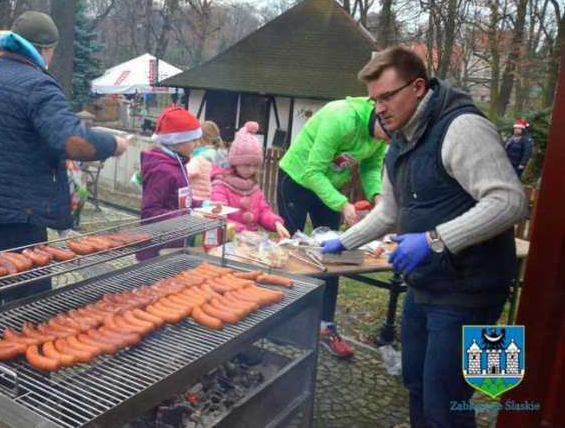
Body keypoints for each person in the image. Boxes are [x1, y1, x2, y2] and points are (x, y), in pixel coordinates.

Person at [321, 47, 526, 428]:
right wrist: (344, 241)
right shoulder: (399, 139)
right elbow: (388, 212)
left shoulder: (462, 127)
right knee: (415, 384)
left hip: (470, 290)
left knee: (446, 406)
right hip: (424, 286)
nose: (379, 109)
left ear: (418, 87)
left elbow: (509, 202)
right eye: (374, 100)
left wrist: (433, 240)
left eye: (387, 97)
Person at [0, 10, 127, 314]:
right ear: (46, 49)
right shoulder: (37, 85)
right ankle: (22, 361)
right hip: (16, 216)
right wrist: (115, 144)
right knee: (30, 303)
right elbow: (73, 141)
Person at [277, 96, 389, 358]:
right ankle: (286, 322)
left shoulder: (383, 129)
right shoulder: (340, 117)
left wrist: (377, 196)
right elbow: (312, 171)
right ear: (378, 114)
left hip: (328, 186)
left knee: (334, 255)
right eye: (387, 135)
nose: (386, 142)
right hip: (297, 178)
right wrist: (343, 205)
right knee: (296, 251)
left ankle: (325, 326)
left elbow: (372, 165)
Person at [139, 105, 205, 261]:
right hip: (157, 250)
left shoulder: (178, 164)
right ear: (175, 142)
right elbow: (150, 213)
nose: (196, 145)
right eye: (193, 140)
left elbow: (179, 201)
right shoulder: (163, 170)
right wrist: (190, 215)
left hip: (174, 244)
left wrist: (203, 205)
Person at [211, 121, 290, 239]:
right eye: (247, 165)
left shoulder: (253, 187)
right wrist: (243, 232)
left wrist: (275, 222)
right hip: (225, 243)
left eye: (255, 165)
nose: (251, 170)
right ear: (235, 163)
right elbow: (218, 218)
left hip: (249, 243)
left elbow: (263, 211)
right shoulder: (220, 186)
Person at [186, 120, 226, 201]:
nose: (195, 143)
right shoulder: (221, 159)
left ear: (207, 141)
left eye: (197, 140)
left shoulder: (199, 159)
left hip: (196, 203)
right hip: (213, 202)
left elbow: (185, 174)